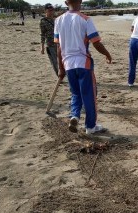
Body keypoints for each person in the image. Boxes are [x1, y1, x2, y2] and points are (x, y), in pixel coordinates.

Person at [54, 0, 112, 135]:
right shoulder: (85, 19)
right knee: (89, 95)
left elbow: (59, 47)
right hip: (83, 62)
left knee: (75, 93)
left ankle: (75, 116)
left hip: (68, 63)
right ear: (80, 1)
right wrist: (107, 54)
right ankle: (90, 126)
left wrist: (61, 67)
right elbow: (96, 42)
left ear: (65, 2)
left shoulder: (58, 20)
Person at [40, 3, 58, 76]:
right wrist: (42, 47)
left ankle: (64, 74)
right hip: (50, 44)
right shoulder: (43, 21)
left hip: (59, 44)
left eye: (52, 10)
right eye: (49, 10)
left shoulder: (56, 20)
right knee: (54, 62)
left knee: (62, 61)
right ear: (45, 11)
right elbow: (42, 34)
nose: (51, 12)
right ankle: (59, 76)